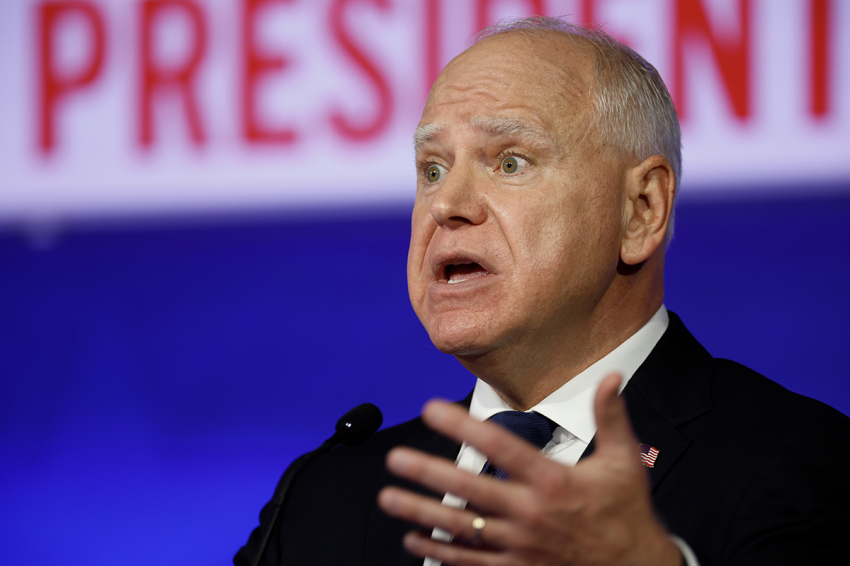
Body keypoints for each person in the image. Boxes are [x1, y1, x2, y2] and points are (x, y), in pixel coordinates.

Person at [235, 17, 850, 566]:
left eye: (510, 162)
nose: (447, 205)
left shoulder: (799, 463)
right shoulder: (327, 494)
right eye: (432, 169)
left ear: (641, 210)